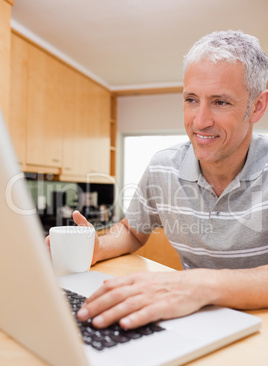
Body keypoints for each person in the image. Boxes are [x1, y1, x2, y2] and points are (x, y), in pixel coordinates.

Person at [47, 30, 268, 330]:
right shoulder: (163, 167)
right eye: (192, 99)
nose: (199, 121)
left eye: (220, 102)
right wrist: (98, 247)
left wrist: (198, 285)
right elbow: (133, 231)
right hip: (192, 320)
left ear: (256, 106)